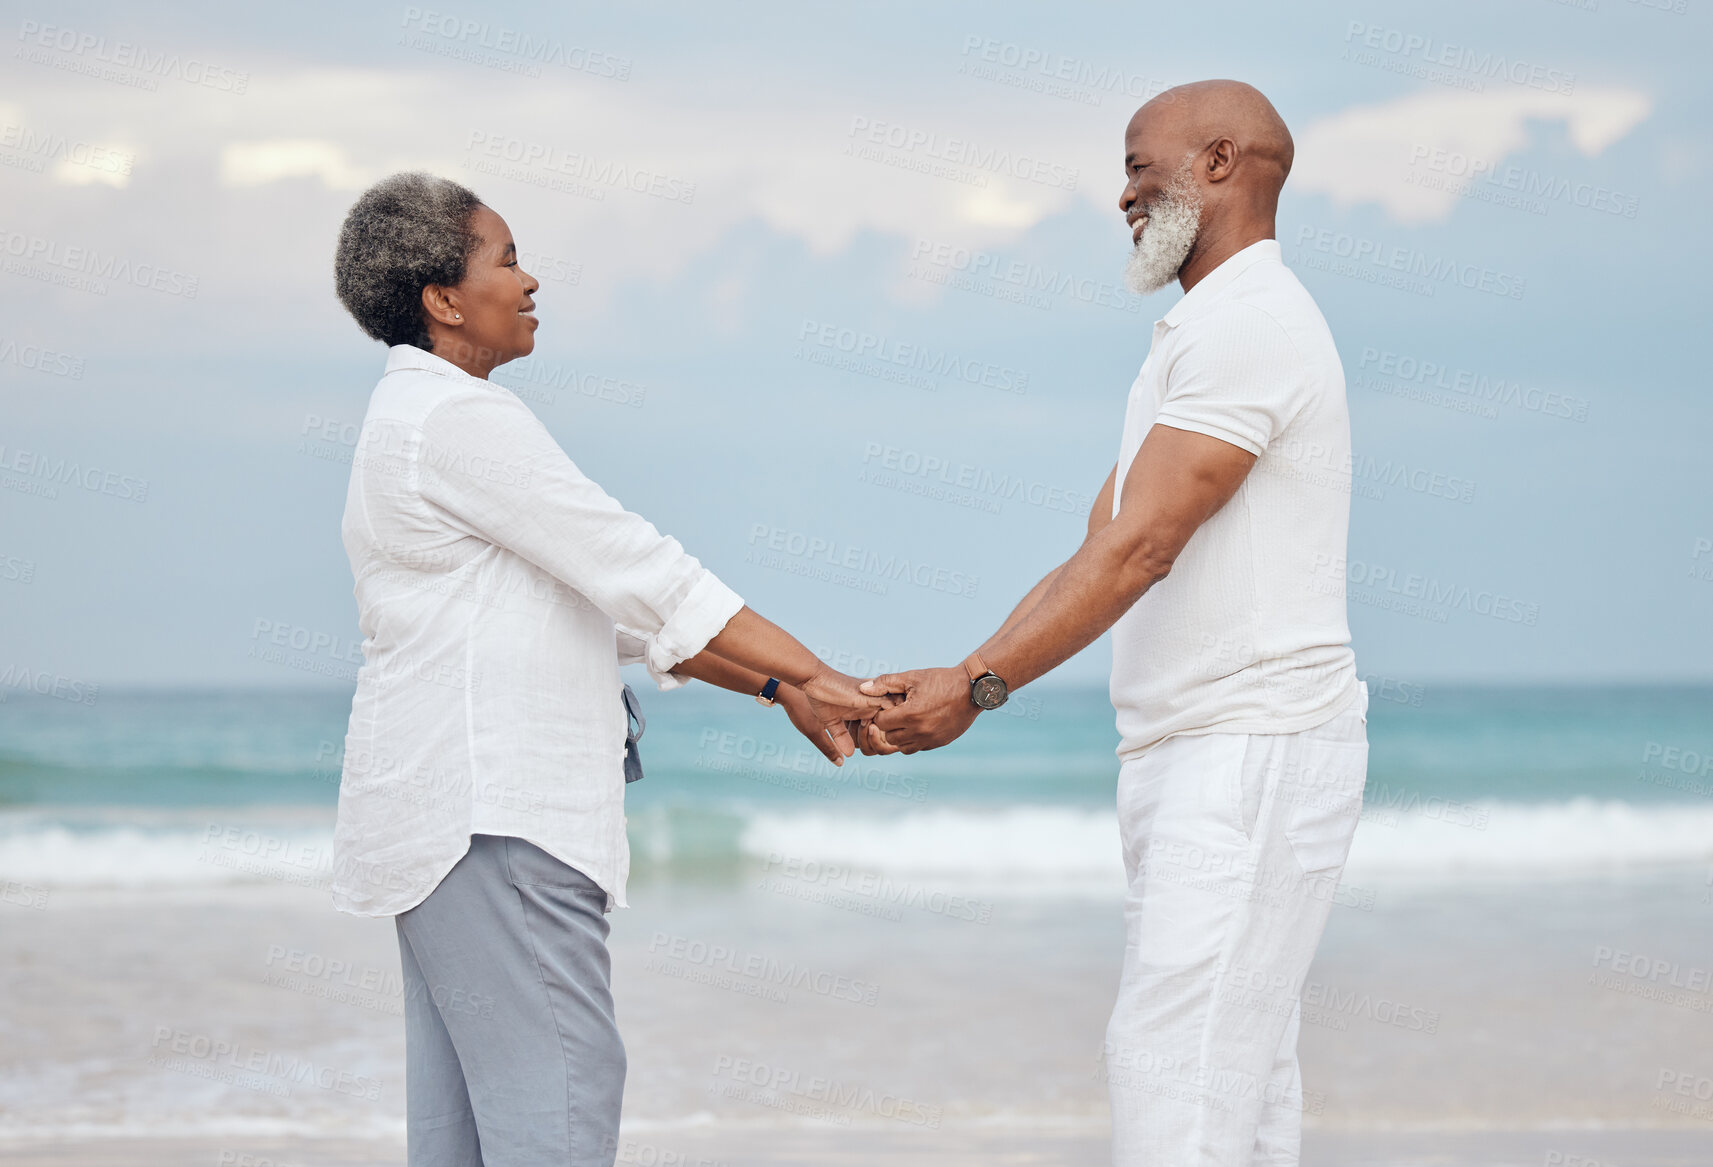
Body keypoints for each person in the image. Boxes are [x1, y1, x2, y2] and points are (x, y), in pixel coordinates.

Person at [859, 81, 1370, 1167]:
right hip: (1197, 758)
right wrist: (963, 672)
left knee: (1173, 1081)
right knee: (1233, 1091)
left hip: (1248, 753)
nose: (1123, 193)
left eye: (1142, 166)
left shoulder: (1252, 326)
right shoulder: (1198, 334)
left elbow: (1144, 550)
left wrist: (984, 686)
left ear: (1221, 164)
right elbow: (1099, 547)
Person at [329, 171, 885, 1166]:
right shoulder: (457, 421)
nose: (531, 278)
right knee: (563, 1094)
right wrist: (826, 674)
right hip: (491, 818)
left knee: (466, 1127)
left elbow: (615, 612)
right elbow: (644, 572)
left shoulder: (416, 422)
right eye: (505, 259)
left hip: (444, 826)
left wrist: (780, 685)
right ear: (444, 298)